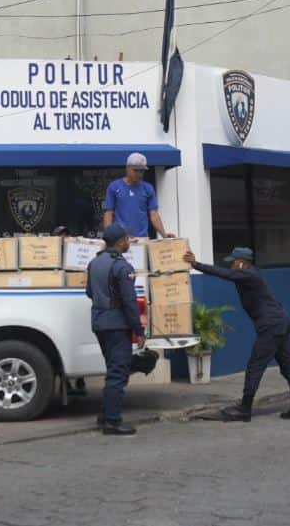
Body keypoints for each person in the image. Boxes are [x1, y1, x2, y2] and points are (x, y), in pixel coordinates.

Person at [184, 247, 290, 422]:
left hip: (271, 326)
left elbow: (225, 274)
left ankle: (245, 408)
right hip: (280, 323)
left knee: (255, 367)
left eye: (233, 262)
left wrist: (196, 265)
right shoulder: (250, 275)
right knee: (288, 366)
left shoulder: (248, 274)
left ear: (241, 262)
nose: (231, 265)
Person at [87, 223, 146, 436]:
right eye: (127, 239)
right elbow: (130, 302)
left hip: (99, 323)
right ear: (120, 242)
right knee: (118, 373)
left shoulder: (94, 262)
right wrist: (138, 330)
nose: (129, 243)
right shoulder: (122, 267)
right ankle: (112, 422)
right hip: (117, 325)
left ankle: (104, 415)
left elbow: (89, 292)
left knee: (113, 369)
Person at [103, 152, 174, 239]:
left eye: (141, 171)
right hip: (120, 239)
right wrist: (108, 237)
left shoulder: (148, 188)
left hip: (142, 238)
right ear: (127, 168)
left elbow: (154, 214)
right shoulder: (114, 187)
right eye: (135, 170)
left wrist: (164, 235)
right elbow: (108, 213)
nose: (139, 174)